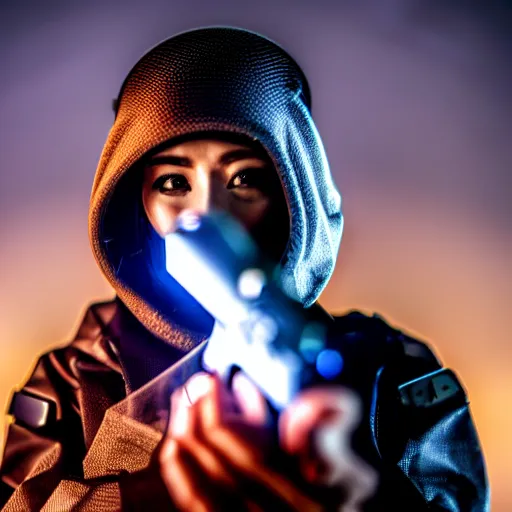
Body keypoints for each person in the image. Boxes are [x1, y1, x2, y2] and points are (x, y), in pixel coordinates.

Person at [0, 27, 488, 511]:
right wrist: (157, 490)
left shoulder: (388, 367)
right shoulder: (75, 376)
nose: (209, 212)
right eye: (173, 182)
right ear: (135, 202)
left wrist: (368, 493)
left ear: (291, 194)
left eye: (245, 179)